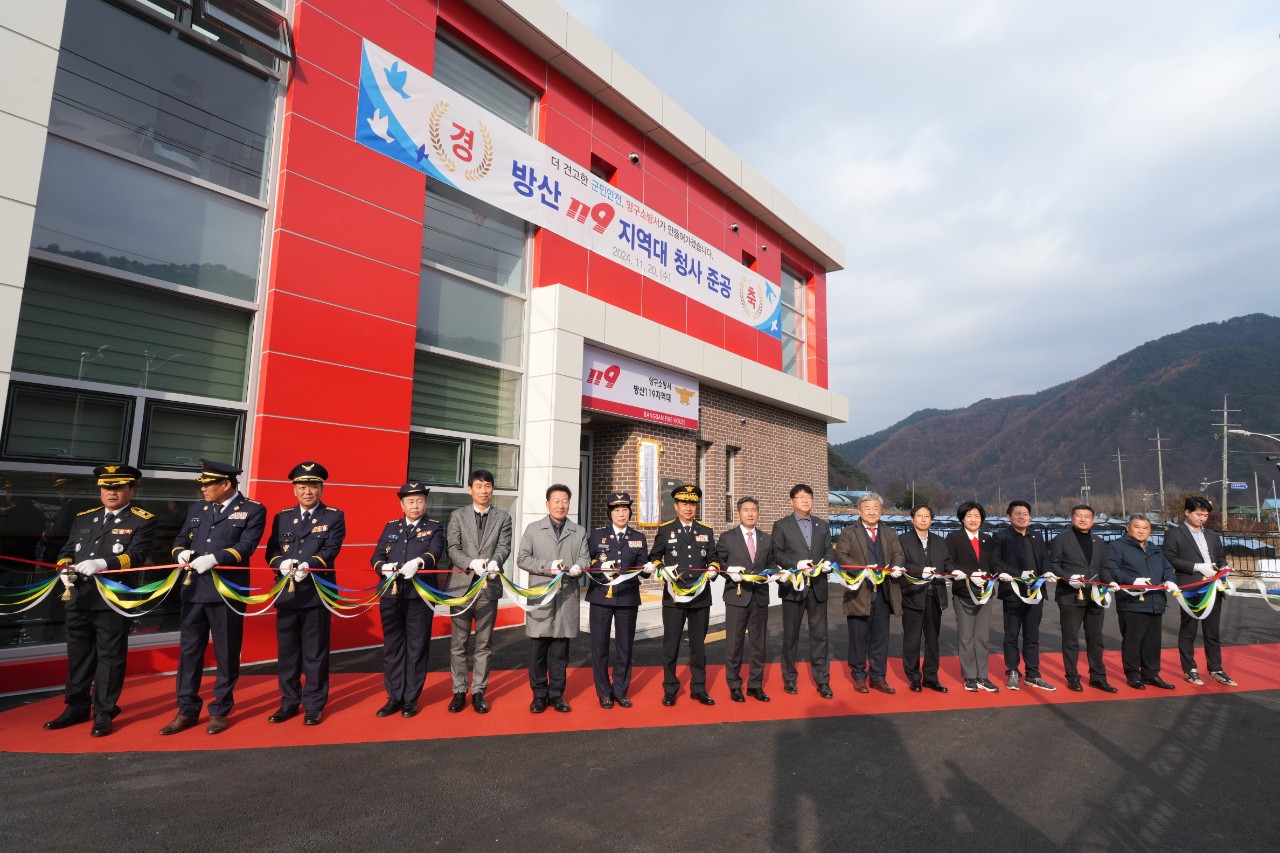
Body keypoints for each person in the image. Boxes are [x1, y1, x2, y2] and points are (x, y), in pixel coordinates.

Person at [44, 465, 156, 737]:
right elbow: (67, 551)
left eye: (118, 487)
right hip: (79, 596)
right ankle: (76, 706)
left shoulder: (142, 520)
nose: (111, 492)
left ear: (132, 490)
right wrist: (64, 568)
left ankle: (104, 712)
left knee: (110, 657)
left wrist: (102, 563)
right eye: (106, 487)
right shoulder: (84, 518)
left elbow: (137, 556)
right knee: (78, 655)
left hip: (111, 600)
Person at [163, 460, 267, 735]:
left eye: (209, 484)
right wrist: (180, 553)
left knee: (226, 652)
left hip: (226, 592)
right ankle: (186, 709)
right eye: (203, 483)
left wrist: (214, 558)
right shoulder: (198, 508)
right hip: (194, 590)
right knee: (189, 653)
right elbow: (181, 539)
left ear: (226, 484)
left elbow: (246, 546)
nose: (204, 488)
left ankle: (220, 709)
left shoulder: (252, 509)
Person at [264, 461, 346, 726]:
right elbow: (271, 550)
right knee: (288, 654)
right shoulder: (283, 517)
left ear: (321, 489)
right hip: (287, 594)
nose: (307, 491)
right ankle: (289, 702)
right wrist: (281, 564)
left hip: (315, 593)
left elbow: (331, 549)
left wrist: (309, 565)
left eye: (312, 486)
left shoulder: (334, 516)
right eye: (302, 486)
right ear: (294, 490)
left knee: (314, 653)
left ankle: (313, 704)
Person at [370, 480, 444, 718]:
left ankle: (411, 698)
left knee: (416, 647)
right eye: (410, 501)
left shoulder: (434, 527)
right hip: (391, 595)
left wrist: (419, 562)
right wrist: (383, 567)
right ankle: (394, 696)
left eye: (419, 500)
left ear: (425, 503)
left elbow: (436, 552)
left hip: (419, 596)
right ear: (401, 505)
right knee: (393, 647)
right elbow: (376, 556)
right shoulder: (391, 527)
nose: (415, 505)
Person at [444, 469, 512, 714]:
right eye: (479, 486)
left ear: (492, 489)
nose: (484, 491)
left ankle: (479, 691)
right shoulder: (457, 516)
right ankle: (459, 690)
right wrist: (470, 563)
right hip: (461, 587)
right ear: (470, 489)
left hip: (488, 588)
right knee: (458, 643)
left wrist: (495, 562)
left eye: (488, 486)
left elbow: (504, 547)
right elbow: (452, 548)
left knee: (484, 644)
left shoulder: (503, 517)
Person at [517, 484, 590, 713]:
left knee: (560, 652)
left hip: (566, 597)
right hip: (541, 597)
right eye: (556, 501)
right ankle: (539, 695)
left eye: (565, 501)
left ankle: (557, 695)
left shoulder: (578, 531)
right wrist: (547, 566)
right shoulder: (533, 529)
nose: (561, 505)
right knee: (538, 651)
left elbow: (585, 559)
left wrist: (579, 567)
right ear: (547, 503)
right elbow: (522, 559)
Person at [648, 484, 721, 706]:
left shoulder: (705, 530)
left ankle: (698, 688)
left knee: (698, 646)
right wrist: (661, 568)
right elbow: (655, 556)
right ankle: (670, 688)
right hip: (674, 597)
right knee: (671, 645)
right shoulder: (665, 530)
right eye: (684, 504)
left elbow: (714, 556)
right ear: (676, 506)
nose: (688, 508)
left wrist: (714, 568)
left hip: (700, 596)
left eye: (692, 504)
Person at [770, 483, 837, 698]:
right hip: (794, 586)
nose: (805, 500)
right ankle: (789, 678)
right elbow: (776, 554)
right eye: (800, 497)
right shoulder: (781, 525)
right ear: (792, 501)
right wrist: (796, 564)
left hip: (818, 587)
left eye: (808, 496)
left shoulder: (822, 525)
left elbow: (829, 549)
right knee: (791, 636)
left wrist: (828, 562)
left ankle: (823, 681)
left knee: (820, 636)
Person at [834, 492, 905, 695]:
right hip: (859, 593)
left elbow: (898, 554)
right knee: (858, 637)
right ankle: (858, 676)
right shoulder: (849, 532)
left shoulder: (889, 532)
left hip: (883, 592)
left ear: (881, 511)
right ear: (859, 511)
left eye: (876, 508)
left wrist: (897, 566)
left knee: (880, 637)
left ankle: (878, 677)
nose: (872, 512)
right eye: (867, 508)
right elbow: (841, 555)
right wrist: (862, 570)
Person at [1162, 496, 1236, 686]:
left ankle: (1216, 669)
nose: (1202, 518)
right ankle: (1190, 670)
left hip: (1213, 587)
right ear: (1187, 512)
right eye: (1198, 514)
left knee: (1212, 632)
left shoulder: (1212, 535)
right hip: (1191, 588)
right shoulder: (1174, 534)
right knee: (1189, 630)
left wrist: (1224, 567)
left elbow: (1220, 557)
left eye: (1205, 515)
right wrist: (1197, 567)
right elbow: (1170, 558)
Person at [587, 491, 649, 708]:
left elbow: (643, 568)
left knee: (625, 647)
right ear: (610, 514)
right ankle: (604, 691)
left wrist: (648, 568)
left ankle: (620, 690)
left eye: (625, 510)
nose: (621, 514)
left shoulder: (638, 538)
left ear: (630, 512)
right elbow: (587, 563)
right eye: (617, 510)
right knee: (600, 647)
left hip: (627, 597)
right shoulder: (597, 536)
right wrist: (600, 566)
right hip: (601, 597)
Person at [1103, 514, 1179, 690]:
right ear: (1127, 528)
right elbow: (1112, 569)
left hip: (1155, 601)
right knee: (1133, 641)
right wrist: (1132, 581)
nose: (1141, 531)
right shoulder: (1116, 547)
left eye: (1145, 528)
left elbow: (1167, 568)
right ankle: (1133, 675)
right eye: (1137, 527)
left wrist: (1170, 580)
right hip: (1132, 601)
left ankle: (1151, 674)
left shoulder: (1155, 549)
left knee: (1153, 642)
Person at [1048, 504, 1116, 692]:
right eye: (1079, 515)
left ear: (1093, 520)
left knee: (1096, 639)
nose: (1083, 519)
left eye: (1087, 516)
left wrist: (1110, 582)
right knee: (1071, 640)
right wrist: (1068, 578)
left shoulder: (1099, 541)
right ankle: (1073, 677)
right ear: (1072, 518)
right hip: (1070, 596)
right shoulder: (1061, 539)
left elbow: (1104, 567)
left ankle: (1098, 677)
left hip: (1095, 595)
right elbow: (1054, 564)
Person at [715, 496, 773, 702]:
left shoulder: (766, 538)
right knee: (734, 643)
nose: (750, 514)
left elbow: (772, 563)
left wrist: (773, 574)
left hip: (759, 597)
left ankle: (755, 685)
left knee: (759, 644)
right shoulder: (727, 537)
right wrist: (728, 571)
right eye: (746, 510)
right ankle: (734, 684)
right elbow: (717, 561)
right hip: (736, 596)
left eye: (753, 510)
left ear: (758, 513)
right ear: (738, 513)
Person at [992, 500, 1055, 691]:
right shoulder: (1001, 536)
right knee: (1011, 633)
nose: (1022, 517)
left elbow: (1045, 558)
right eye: (1017, 513)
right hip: (1013, 592)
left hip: (1035, 591)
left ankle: (1033, 674)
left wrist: (1047, 571)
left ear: (1030, 516)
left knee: (1032, 634)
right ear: (1008, 516)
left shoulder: (1036, 536)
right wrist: (1019, 575)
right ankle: (1012, 671)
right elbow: (996, 563)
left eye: (1025, 513)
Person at [945, 501, 1001, 692]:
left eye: (977, 516)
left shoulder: (988, 539)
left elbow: (994, 563)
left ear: (982, 519)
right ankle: (969, 676)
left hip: (985, 593)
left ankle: (982, 676)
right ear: (962, 519)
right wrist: (966, 574)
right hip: (964, 592)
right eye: (969, 516)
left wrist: (1001, 573)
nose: (973, 519)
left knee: (982, 637)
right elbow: (948, 562)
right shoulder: (954, 538)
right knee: (966, 636)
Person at [897, 504, 952, 693]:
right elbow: (901, 563)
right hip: (913, 595)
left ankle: (931, 677)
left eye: (927, 516)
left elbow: (947, 562)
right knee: (912, 640)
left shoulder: (940, 541)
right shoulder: (902, 540)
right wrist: (921, 571)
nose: (923, 519)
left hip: (935, 595)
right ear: (912, 519)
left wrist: (955, 571)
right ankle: (913, 677)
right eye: (919, 516)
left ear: (932, 520)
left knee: (932, 640)